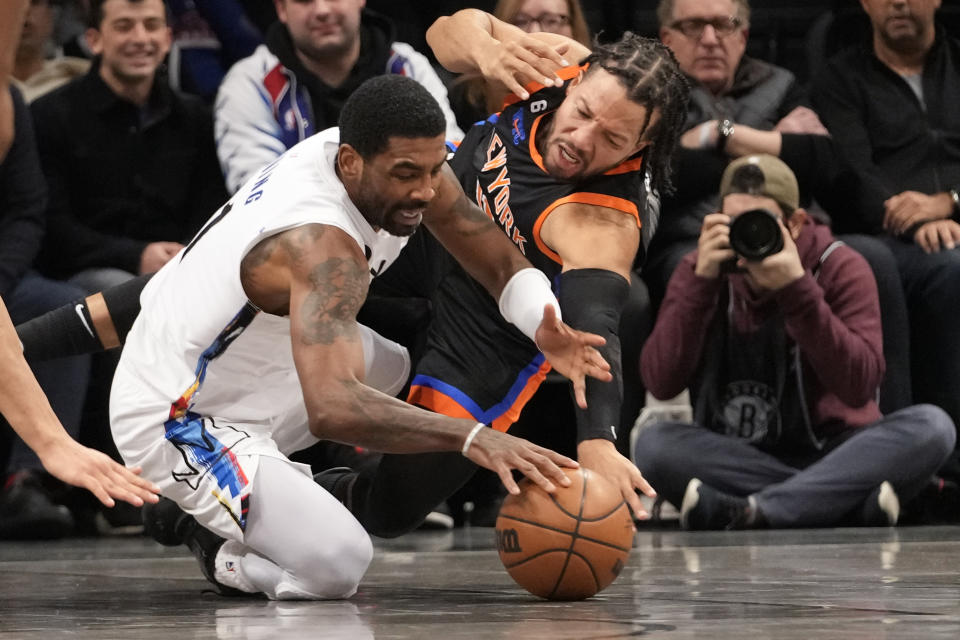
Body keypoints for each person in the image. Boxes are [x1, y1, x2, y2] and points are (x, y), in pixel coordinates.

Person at [113, 74, 611, 599]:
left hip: (245, 359)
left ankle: (263, 493)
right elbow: (332, 409)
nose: (425, 190)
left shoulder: (367, 154)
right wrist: (472, 436)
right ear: (352, 163)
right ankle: (212, 540)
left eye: (435, 168)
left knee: (393, 368)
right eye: (406, 175)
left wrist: (542, 320)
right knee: (336, 565)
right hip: (178, 414)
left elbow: (491, 255)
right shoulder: (323, 246)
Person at [307, 9, 690, 537]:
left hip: (491, 326)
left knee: (390, 510)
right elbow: (443, 29)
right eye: (581, 112)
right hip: (430, 224)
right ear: (576, 81)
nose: (581, 137)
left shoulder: (603, 222)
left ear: (639, 149)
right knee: (293, 264)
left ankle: (287, 493)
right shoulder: (557, 65)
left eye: (611, 139)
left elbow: (595, 329)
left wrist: (598, 440)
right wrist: (486, 53)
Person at [633, 154, 955, 530]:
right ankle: (839, 505)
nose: (747, 235)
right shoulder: (699, 269)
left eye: (761, 223)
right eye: (734, 222)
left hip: (840, 451)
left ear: (796, 223)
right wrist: (700, 284)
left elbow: (859, 387)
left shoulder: (840, 266)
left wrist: (796, 291)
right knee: (654, 446)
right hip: (740, 454)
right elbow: (660, 380)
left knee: (933, 427)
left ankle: (754, 511)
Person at [644, 0, 912, 414]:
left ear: (744, 36)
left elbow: (823, 161)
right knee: (693, 267)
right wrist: (774, 142)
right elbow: (663, 174)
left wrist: (717, 135)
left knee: (872, 255)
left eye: (723, 25)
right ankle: (719, 422)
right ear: (666, 39)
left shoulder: (781, 83)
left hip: (792, 233)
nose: (711, 39)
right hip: (695, 241)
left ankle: (885, 421)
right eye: (694, 26)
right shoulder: (650, 94)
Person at [0, 0, 159, 522]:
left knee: (122, 300)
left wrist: (53, 444)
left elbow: (28, 211)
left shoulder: (11, 102)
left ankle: (37, 480)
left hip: (13, 275)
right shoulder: (42, 108)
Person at [809, 0, 960, 479]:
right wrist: (913, 219)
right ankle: (918, 461)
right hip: (883, 233)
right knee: (936, 269)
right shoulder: (840, 78)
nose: (897, 1)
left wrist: (949, 202)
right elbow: (854, 171)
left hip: (953, 218)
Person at [31, 0, 228, 292]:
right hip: (87, 274)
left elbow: (211, 207)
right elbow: (53, 228)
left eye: (151, 25)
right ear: (94, 40)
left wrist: (186, 253)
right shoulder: (48, 115)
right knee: (135, 294)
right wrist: (136, 256)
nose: (140, 39)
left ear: (167, 38)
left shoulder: (195, 117)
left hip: (183, 265)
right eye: (124, 27)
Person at [214, 0, 464, 194]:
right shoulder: (250, 83)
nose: (321, 10)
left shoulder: (407, 66)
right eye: (304, 1)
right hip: (301, 245)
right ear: (281, 9)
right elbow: (257, 194)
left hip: (413, 232)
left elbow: (451, 159)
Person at [448, 0, 592, 127]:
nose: (535, 32)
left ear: (574, 27)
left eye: (551, 20)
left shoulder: (596, 85)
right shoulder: (467, 97)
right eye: (520, 21)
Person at [12, 0, 90, 103]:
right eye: (13, 4)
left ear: (51, 14)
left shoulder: (82, 80)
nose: (25, 10)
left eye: (34, 2)